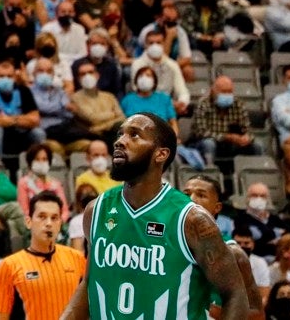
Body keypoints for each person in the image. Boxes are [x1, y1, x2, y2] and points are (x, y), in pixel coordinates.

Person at [61, 113, 249, 319]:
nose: (120, 141)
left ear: (161, 154)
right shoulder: (96, 211)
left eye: (134, 135)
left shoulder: (191, 219)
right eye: (120, 134)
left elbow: (235, 293)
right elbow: (89, 283)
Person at [0, 191, 85, 320]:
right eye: (42, 216)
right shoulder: (9, 266)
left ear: (60, 224)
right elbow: (0, 317)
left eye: (54, 218)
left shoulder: (77, 259)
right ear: (28, 222)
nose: (48, 223)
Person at [181, 176, 265, 317]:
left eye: (201, 195)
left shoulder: (232, 252)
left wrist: (221, 313)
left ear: (217, 207)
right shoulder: (164, 242)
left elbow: (257, 315)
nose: (191, 199)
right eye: (186, 194)